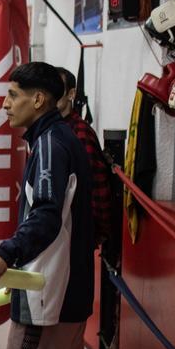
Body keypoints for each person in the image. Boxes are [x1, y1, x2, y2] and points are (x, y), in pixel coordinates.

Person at [0, 62, 100, 349]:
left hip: (47, 298)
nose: (5, 105)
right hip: (69, 291)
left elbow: (46, 217)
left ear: (38, 99)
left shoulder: (52, 145)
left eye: (12, 95)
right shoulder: (55, 139)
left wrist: (6, 255)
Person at [55, 66, 113, 246]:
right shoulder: (51, 130)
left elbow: (97, 184)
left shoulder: (79, 133)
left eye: (57, 89)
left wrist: (97, 232)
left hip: (76, 232)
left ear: (71, 94)